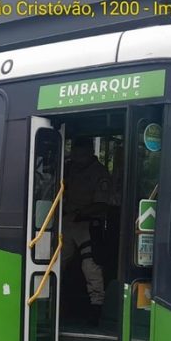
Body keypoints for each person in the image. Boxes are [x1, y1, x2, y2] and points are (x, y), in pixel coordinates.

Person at [62, 136, 112, 325]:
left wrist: (81, 212)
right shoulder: (69, 168)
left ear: (88, 151)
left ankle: (95, 309)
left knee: (90, 267)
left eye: (79, 151)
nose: (75, 155)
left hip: (88, 224)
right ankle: (52, 301)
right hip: (67, 221)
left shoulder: (99, 173)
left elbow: (102, 205)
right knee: (56, 262)